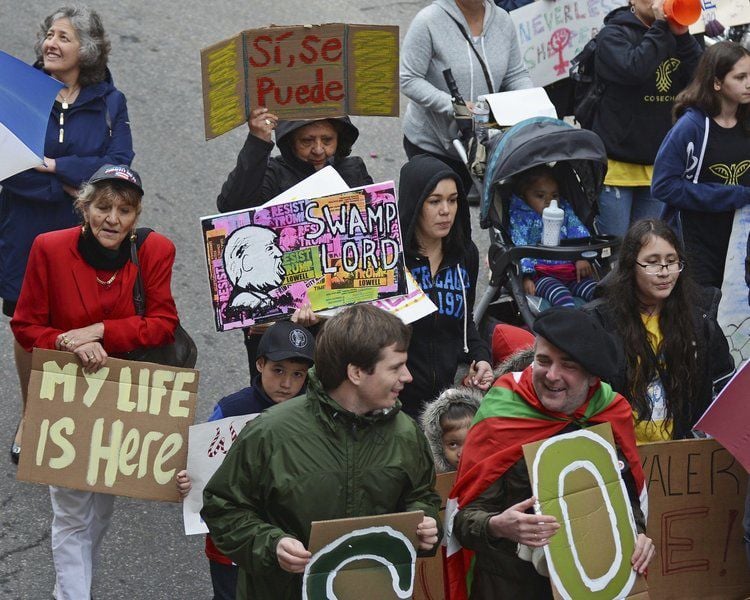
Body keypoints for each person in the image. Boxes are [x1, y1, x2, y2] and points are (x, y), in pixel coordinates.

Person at [10, 164, 177, 600]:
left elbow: (163, 324)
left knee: (100, 508)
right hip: (64, 394)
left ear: (136, 216)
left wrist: (102, 331)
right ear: (83, 207)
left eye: (125, 210)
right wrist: (69, 343)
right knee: (69, 511)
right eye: (103, 207)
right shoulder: (48, 248)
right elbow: (27, 326)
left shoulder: (156, 250)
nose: (113, 219)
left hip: (121, 396)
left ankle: (78, 581)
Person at [201, 304, 441, 600]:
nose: (408, 377)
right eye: (395, 367)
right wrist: (271, 545)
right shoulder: (271, 433)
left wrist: (427, 523)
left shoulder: (406, 433)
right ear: (355, 372)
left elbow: (423, 496)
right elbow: (222, 509)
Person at [1, 5, 134, 465]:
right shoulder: (19, 91)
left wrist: (56, 167)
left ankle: (72, 418)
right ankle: (33, 412)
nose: (51, 44)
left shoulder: (109, 101)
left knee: (77, 325)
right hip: (24, 230)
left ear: (87, 50)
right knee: (28, 325)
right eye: (49, 35)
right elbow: (10, 166)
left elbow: (119, 164)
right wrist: (74, 187)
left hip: (84, 232)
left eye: (64, 37)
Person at [446, 307, 654, 599]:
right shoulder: (502, 411)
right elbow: (463, 520)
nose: (552, 375)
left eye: (568, 365)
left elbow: (628, 500)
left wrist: (639, 535)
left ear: (592, 377)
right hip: (510, 587)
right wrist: (498, 526)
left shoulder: (611, 413)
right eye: (543, 360)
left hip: (588, 588)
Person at [215, 110, 372, 379]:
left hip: (338, 318)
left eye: (327, 139)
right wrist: (257, 142)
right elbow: (232, 206)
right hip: (277, 321)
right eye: (307, 141)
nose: (318, 149)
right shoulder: (273, 172)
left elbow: (372, 236)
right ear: (289, 141)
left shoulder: (352, 170)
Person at [176, 320, 314, 600]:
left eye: (298, 374)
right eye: (278, 370)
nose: (287, 384)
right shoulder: (231, 410)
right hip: (231, 544)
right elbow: (200, 464)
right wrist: (186, 480)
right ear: (260, 364)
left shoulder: (315, 412)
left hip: (290, 541)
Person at [586, 219, 734, 443]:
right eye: (652, 262)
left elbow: (725, 382)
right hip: (622, 450)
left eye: (672, 261)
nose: (665, 272)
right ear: (630, 266)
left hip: (678, 451)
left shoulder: (699, 318)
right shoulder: (600, 321)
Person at [591, 0, 702, 236]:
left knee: (650, 248)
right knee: (618, 251)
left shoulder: (678, 36)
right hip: (617, 167)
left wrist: (682, 36)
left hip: (661, 166)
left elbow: (702, 82)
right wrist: (661, 28)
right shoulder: (613, 34)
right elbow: (633, 69)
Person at [400, 0, 532, 192]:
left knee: (464, 213)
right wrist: (455, 106)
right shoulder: (428, 21)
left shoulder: (503, 20)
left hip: (480, 142)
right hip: (433, 144)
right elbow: (408, 78)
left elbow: (516, 74)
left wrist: (532, 104)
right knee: (441, 214)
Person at [397, 155, 492, 418]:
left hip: (445, 399)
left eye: (453, 200)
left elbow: (465, 322)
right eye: (434, 201)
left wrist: (481, 357)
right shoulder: (392, 258)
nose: (446, 211)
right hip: (394, 402)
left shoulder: (465, 254)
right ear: (415, 203)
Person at [651, 41, 750, 288]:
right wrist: (732, 195)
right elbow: (663, 186)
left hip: (742, 238)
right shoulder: (691, 126)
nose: (749, 83)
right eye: (740, 77)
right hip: (698, 241)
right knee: (706, 313)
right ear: (717, 82)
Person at [509, 165, 598, 306]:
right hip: (542, 274)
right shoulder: (521, 218)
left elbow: (577, 230)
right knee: (561, 296)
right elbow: (520, 245)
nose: (549, 201)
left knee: (597, 291)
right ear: (524, 195)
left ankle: (601, 323)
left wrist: (581, 256)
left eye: (554, 196)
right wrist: (526, 276)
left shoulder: (564, 210)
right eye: (540, 196)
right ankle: (570, 325)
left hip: (571, 271)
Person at [420, 386, 482, 473]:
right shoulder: (432, 478)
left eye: (471, 442)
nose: (463, 453)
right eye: (453, 444)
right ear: (438, 446)